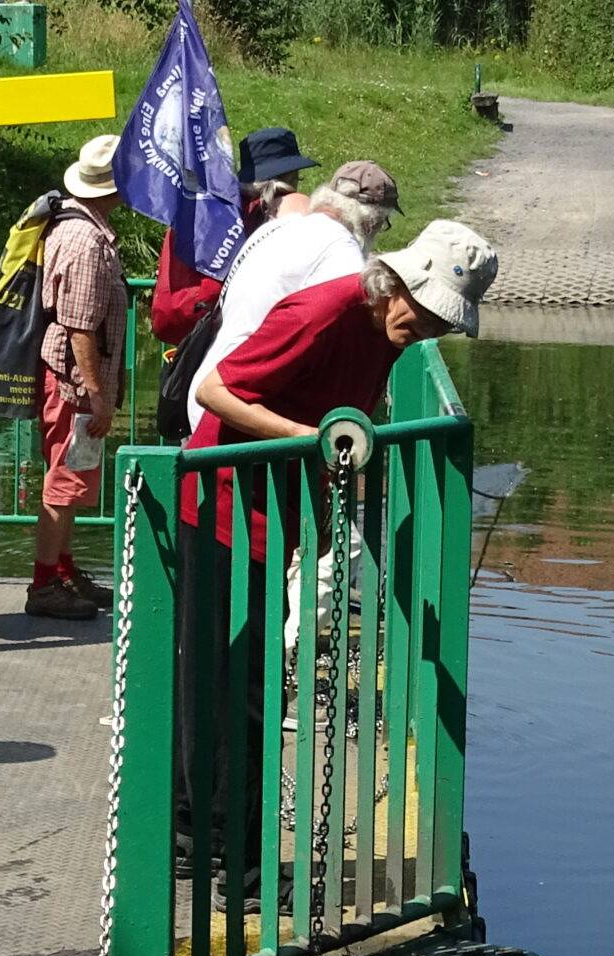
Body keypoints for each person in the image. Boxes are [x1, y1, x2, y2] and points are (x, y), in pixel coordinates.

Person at [176, 220, 498, 910]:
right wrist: (309, 440)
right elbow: (217, 392)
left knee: (222, 682)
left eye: (448, 320)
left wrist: (323, 512)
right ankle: (242, 876)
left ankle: (200, 846)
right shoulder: (325, 313)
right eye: (430, 309)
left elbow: (350, 411)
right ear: (400, 281)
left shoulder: (385, 333)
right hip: (225, 507)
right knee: (238, 691)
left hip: (276, 510)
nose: (433, 327)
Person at [177, 160, 401, 439]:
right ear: (372, 220)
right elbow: (344, 324)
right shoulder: (341, 250)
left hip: (214, 387)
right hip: (240, 403)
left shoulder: (276, 227)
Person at [25, 134, 129, 621]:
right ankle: (45, 582)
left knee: (67, 477)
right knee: (64, 483)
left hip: (64, 378)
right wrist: (97, 395)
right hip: (72, 384)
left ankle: (62, 571)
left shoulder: (71, 226)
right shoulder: (87, 240)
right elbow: (80, 324)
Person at [148, 127, 318, 346]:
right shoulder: (272, 217)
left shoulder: (202, 211)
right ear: (287, 178)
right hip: (240, 342)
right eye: (296, 177)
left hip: (188, 333)